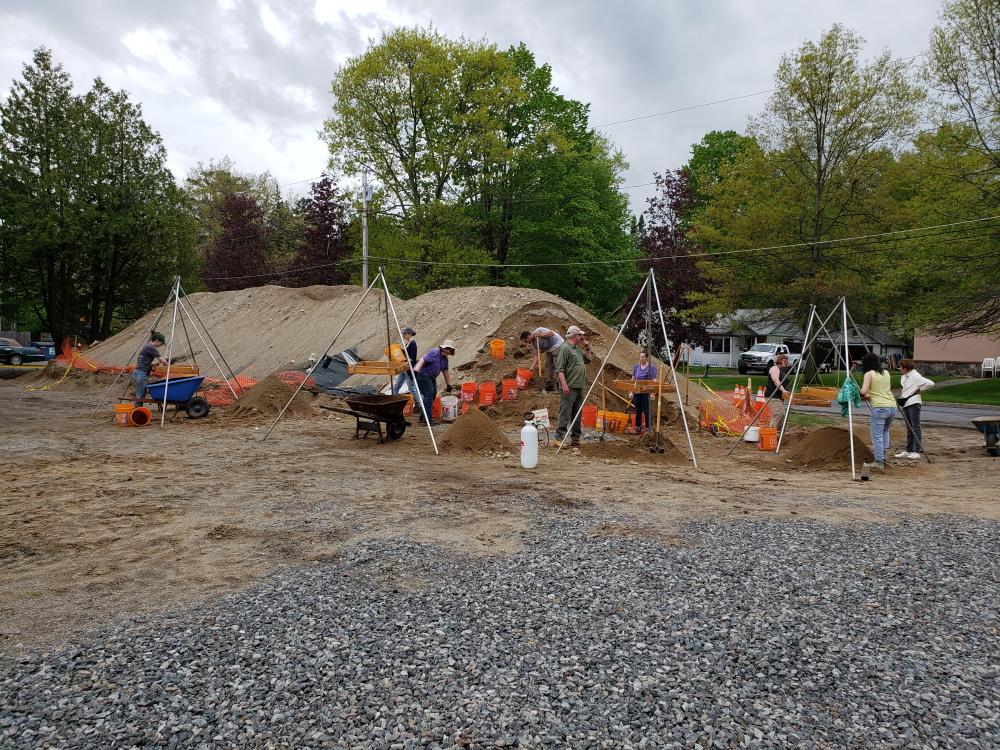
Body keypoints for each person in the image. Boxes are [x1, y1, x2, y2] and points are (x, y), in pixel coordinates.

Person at [553, 325, 593, 447]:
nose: (582, 337)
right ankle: (559, 438)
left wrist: (587, 347)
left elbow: (589, 359)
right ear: (576, 336)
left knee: (577, 413)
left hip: (579, 386)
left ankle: (575, 438)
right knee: (565, 412)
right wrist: (564, 385)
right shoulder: (565, 348)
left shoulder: (577, 349)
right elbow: (560, 369)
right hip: (569, 387)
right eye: (581, 335)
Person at [860, 351, 895, 471]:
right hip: (891, 406)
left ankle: (879, 462)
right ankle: (883, 457)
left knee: (877, 435)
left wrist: (857, 392)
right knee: (885, 431)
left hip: (880, 408)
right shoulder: (886, 373)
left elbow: (863, 392)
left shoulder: (869, 374)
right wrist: (870, 395)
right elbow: (880, 391)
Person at [896, 358, 934, 460]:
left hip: (914, 402)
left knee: (915, 427)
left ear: (905, 368)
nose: (899, 369)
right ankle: (908, 450)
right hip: (906, 402)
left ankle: (916, 451)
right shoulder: (904, 377)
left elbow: (931, 383)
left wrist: (919, 389)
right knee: (909, 428)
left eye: (900, 367)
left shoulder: (916, 376)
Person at [412, 339, 456, 426]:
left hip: (431, 377)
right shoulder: (434, 353)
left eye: (450, 351)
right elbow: (422, 360)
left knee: (433, 393)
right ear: (444, 348)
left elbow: (446, 372)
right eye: (448, 349)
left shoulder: (445, 359)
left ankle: (423, 416)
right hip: (423, 375)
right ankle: (427, 420)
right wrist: (416, 370)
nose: (449, 352)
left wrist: (448, 385)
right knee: (429, 394)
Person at [133, 331, 168, 406]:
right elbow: (163, 360)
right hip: (141, 373)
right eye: (161, 343)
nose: (161, 345)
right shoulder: (151, 347)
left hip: (138, 372)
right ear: (157, 340)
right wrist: (167, 363)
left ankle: (138, 411)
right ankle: (137, 413)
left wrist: (155, 364)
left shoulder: (147, 346)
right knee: (140, 395)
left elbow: (145, 362)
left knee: (140, 394)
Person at [629, 350, 657, 434]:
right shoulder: (636, 367)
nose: (641, 358)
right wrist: (630, 392)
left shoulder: (651, 368)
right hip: (637, 392)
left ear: (647, 358)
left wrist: (653, 393)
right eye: (640, 357)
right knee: (638, 410)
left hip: (646, 392)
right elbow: (632, 380)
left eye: (643, 357)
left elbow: (654, 381)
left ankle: (648, 429)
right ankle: (638, 428)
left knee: (646, 410)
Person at [391, 326, 418, 395]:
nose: (403, 335)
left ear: (409, 334)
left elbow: (412, 358)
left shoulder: (413, 344)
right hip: (404, 368)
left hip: (409, 368)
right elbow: (406, 354)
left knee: (411, 388)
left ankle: (419, 404)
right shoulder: (407, 343)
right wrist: (400, 349)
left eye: (404, 334)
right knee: (397, 385)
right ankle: (394, 399)